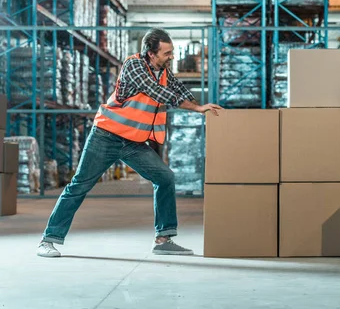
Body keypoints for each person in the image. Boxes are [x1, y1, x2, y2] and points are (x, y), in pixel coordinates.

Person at [37, 28, 222, 258]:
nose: (171, 56)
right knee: (79, 186)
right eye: (167, 53)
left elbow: (179, 89)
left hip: (133, 142)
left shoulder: (163, 71)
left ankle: (163, 239)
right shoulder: (133, 66)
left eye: (172, 52)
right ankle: (49, 239)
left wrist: (201, 105)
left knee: (165, 177)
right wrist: (195, 108)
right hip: (106, 135)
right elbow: (158, 93)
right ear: (151, 54)